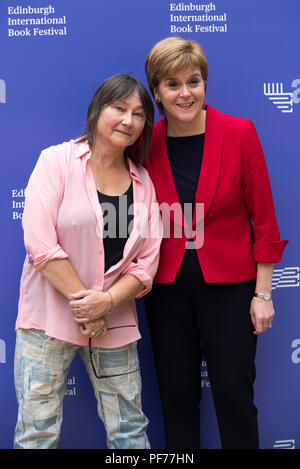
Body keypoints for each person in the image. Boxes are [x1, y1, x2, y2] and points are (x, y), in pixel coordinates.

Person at [143, 37, 288, 449]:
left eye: (194, 81)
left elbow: (264, 219)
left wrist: (263, 293)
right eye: (172, 84)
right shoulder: (143, 144)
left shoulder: (240, 132)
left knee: (233, 398)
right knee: (176, 400)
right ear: (156, 91)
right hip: (165, 290)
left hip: (231, 289)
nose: (185, 93)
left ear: (205, 83)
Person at [14, 74, 162, 449]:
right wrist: (89, 307)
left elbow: (146, 264)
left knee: (130, 431)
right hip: (47, 322)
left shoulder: (143, 182)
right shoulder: (57, 161)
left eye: (139, 114)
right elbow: (40, 244)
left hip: (114, 324)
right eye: (119, 108)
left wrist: (106, 303)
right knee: (37, 434)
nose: (129, 120)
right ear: (98, 109)